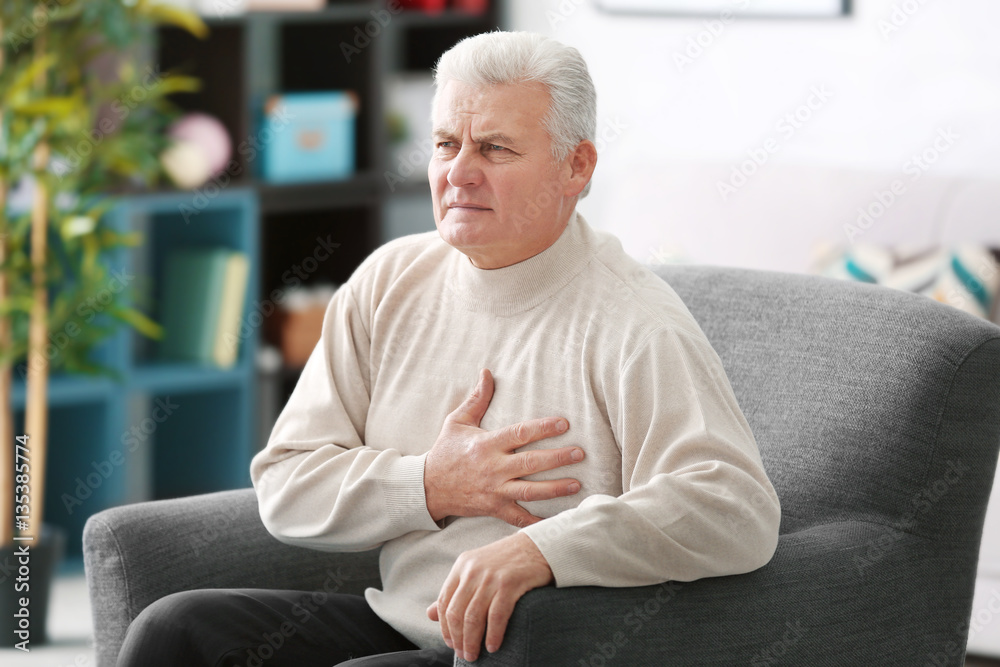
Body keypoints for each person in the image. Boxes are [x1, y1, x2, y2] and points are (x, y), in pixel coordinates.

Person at [116, 30, 780, 667]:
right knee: (177, 631)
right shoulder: (389, 280)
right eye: (444, 143)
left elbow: (735, 507)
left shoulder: (634, 320)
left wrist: (539, 551)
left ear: (576, 166)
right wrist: (429, 483)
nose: (458, 173)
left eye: (494, 148)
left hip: (532, 641)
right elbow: (286, 485)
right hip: (400, 621)